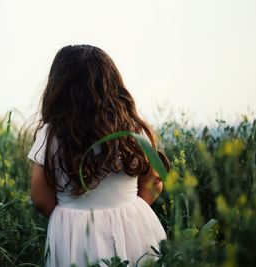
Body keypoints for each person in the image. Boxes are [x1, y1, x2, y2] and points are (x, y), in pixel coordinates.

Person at [28, 44, 167, 267]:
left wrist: (72, 219)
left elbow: (40, 198)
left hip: (75, 236)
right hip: (133, 227)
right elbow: (154, 181)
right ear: (112, 85)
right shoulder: (132, 129)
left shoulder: (52, 135)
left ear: (59, 89)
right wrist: (131, 212)